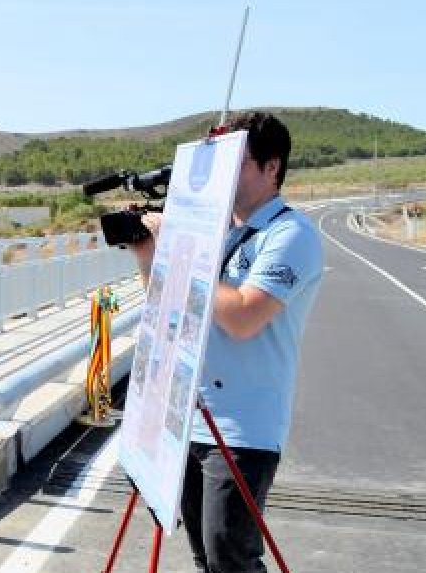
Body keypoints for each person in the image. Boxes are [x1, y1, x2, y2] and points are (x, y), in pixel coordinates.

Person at [128, 112, 323, 573]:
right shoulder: (217, 231)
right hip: (189, 419)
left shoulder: (289, 235)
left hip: (243, 428)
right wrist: (150, 258)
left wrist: (179, 254)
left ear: (272, 167)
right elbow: (173, 309)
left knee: (229, 556)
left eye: (237, 161)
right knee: (206, 557)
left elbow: (243, 317)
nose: (223, 176)